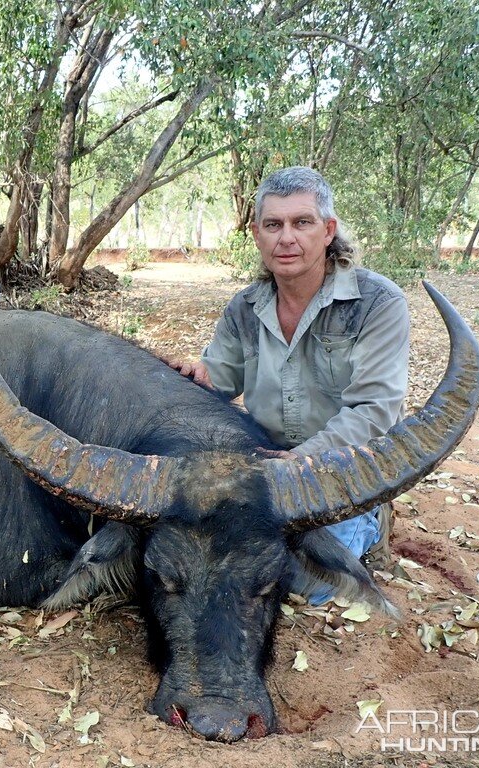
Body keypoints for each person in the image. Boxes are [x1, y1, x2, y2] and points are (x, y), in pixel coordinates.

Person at [174, 166, 409, 573]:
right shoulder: (243, 307)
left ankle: (372, 521)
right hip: (263, 467)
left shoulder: (379, 303)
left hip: (342, 471)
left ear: (328, 229)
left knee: (307, 581)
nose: (287, 238)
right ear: (256, 234)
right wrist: (187, 378)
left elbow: (374, 412)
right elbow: (219, 380)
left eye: (302, 222)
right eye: (273, 224)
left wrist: (301, 460)